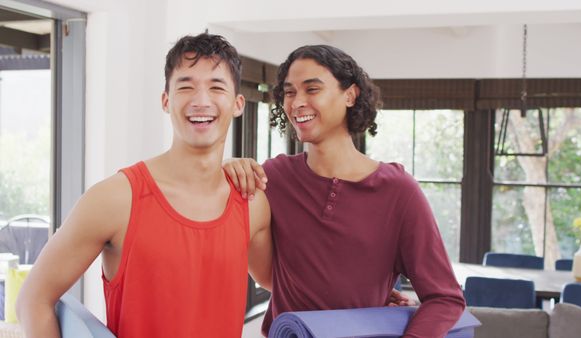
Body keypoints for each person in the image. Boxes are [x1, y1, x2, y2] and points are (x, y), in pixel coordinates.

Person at [16, 33, 272, 338]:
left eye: (216, 87)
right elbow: (33, 300)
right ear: (166, 101)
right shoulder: (114, 199)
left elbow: (278, 281)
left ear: (237, 103)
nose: (201, 100)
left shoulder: (251, 203)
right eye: (186, 86)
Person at [223, 45, 465, 338]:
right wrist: (227, 167)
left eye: (312, 89)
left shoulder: (399, 191)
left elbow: (445, 298)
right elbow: (270, 276)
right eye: (289, 92)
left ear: (350, 95)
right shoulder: (272, 178)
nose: (297, 102)